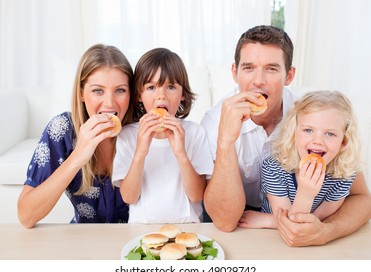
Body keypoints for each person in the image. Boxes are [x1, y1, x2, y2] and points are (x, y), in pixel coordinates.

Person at [201, 25, 371, 245]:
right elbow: (225, 221)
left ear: (289, 75)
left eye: (271, 68)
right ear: (235, 73)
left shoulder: (311, 116)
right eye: (249, 68)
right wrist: (225, 140)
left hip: (297, 213)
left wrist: (325, 231)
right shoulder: (214, 122)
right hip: (237, 215)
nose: (258, 80)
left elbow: (362, 198)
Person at [18, 44, 134, 228]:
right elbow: (26, 216)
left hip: (137, 243)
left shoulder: (141, 129)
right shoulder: (62, 130)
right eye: (98, 90)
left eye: (120, 90)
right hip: (82, 241)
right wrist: (77, 158)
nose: (110, 103)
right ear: (81, 93)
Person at [112, 48, 214, 224]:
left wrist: (180, 153)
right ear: (139, 95)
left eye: (171, 87)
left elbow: (197, 196)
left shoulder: (195, 133)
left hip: (188, 228)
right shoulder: (127, 136)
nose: (161, 95)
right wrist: (140, 152)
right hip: (142, 231)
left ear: (183, 94)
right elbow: (129, 197)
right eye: (151, 87)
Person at [243, 91, 362, 229]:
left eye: (330, 134)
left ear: (343, 142)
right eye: (308, 130)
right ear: (294, 133)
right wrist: (305, 194)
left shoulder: (344, 175)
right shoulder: (274, 167)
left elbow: (307, 226)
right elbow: (291, 227)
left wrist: (269, 221)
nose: (317, 141)